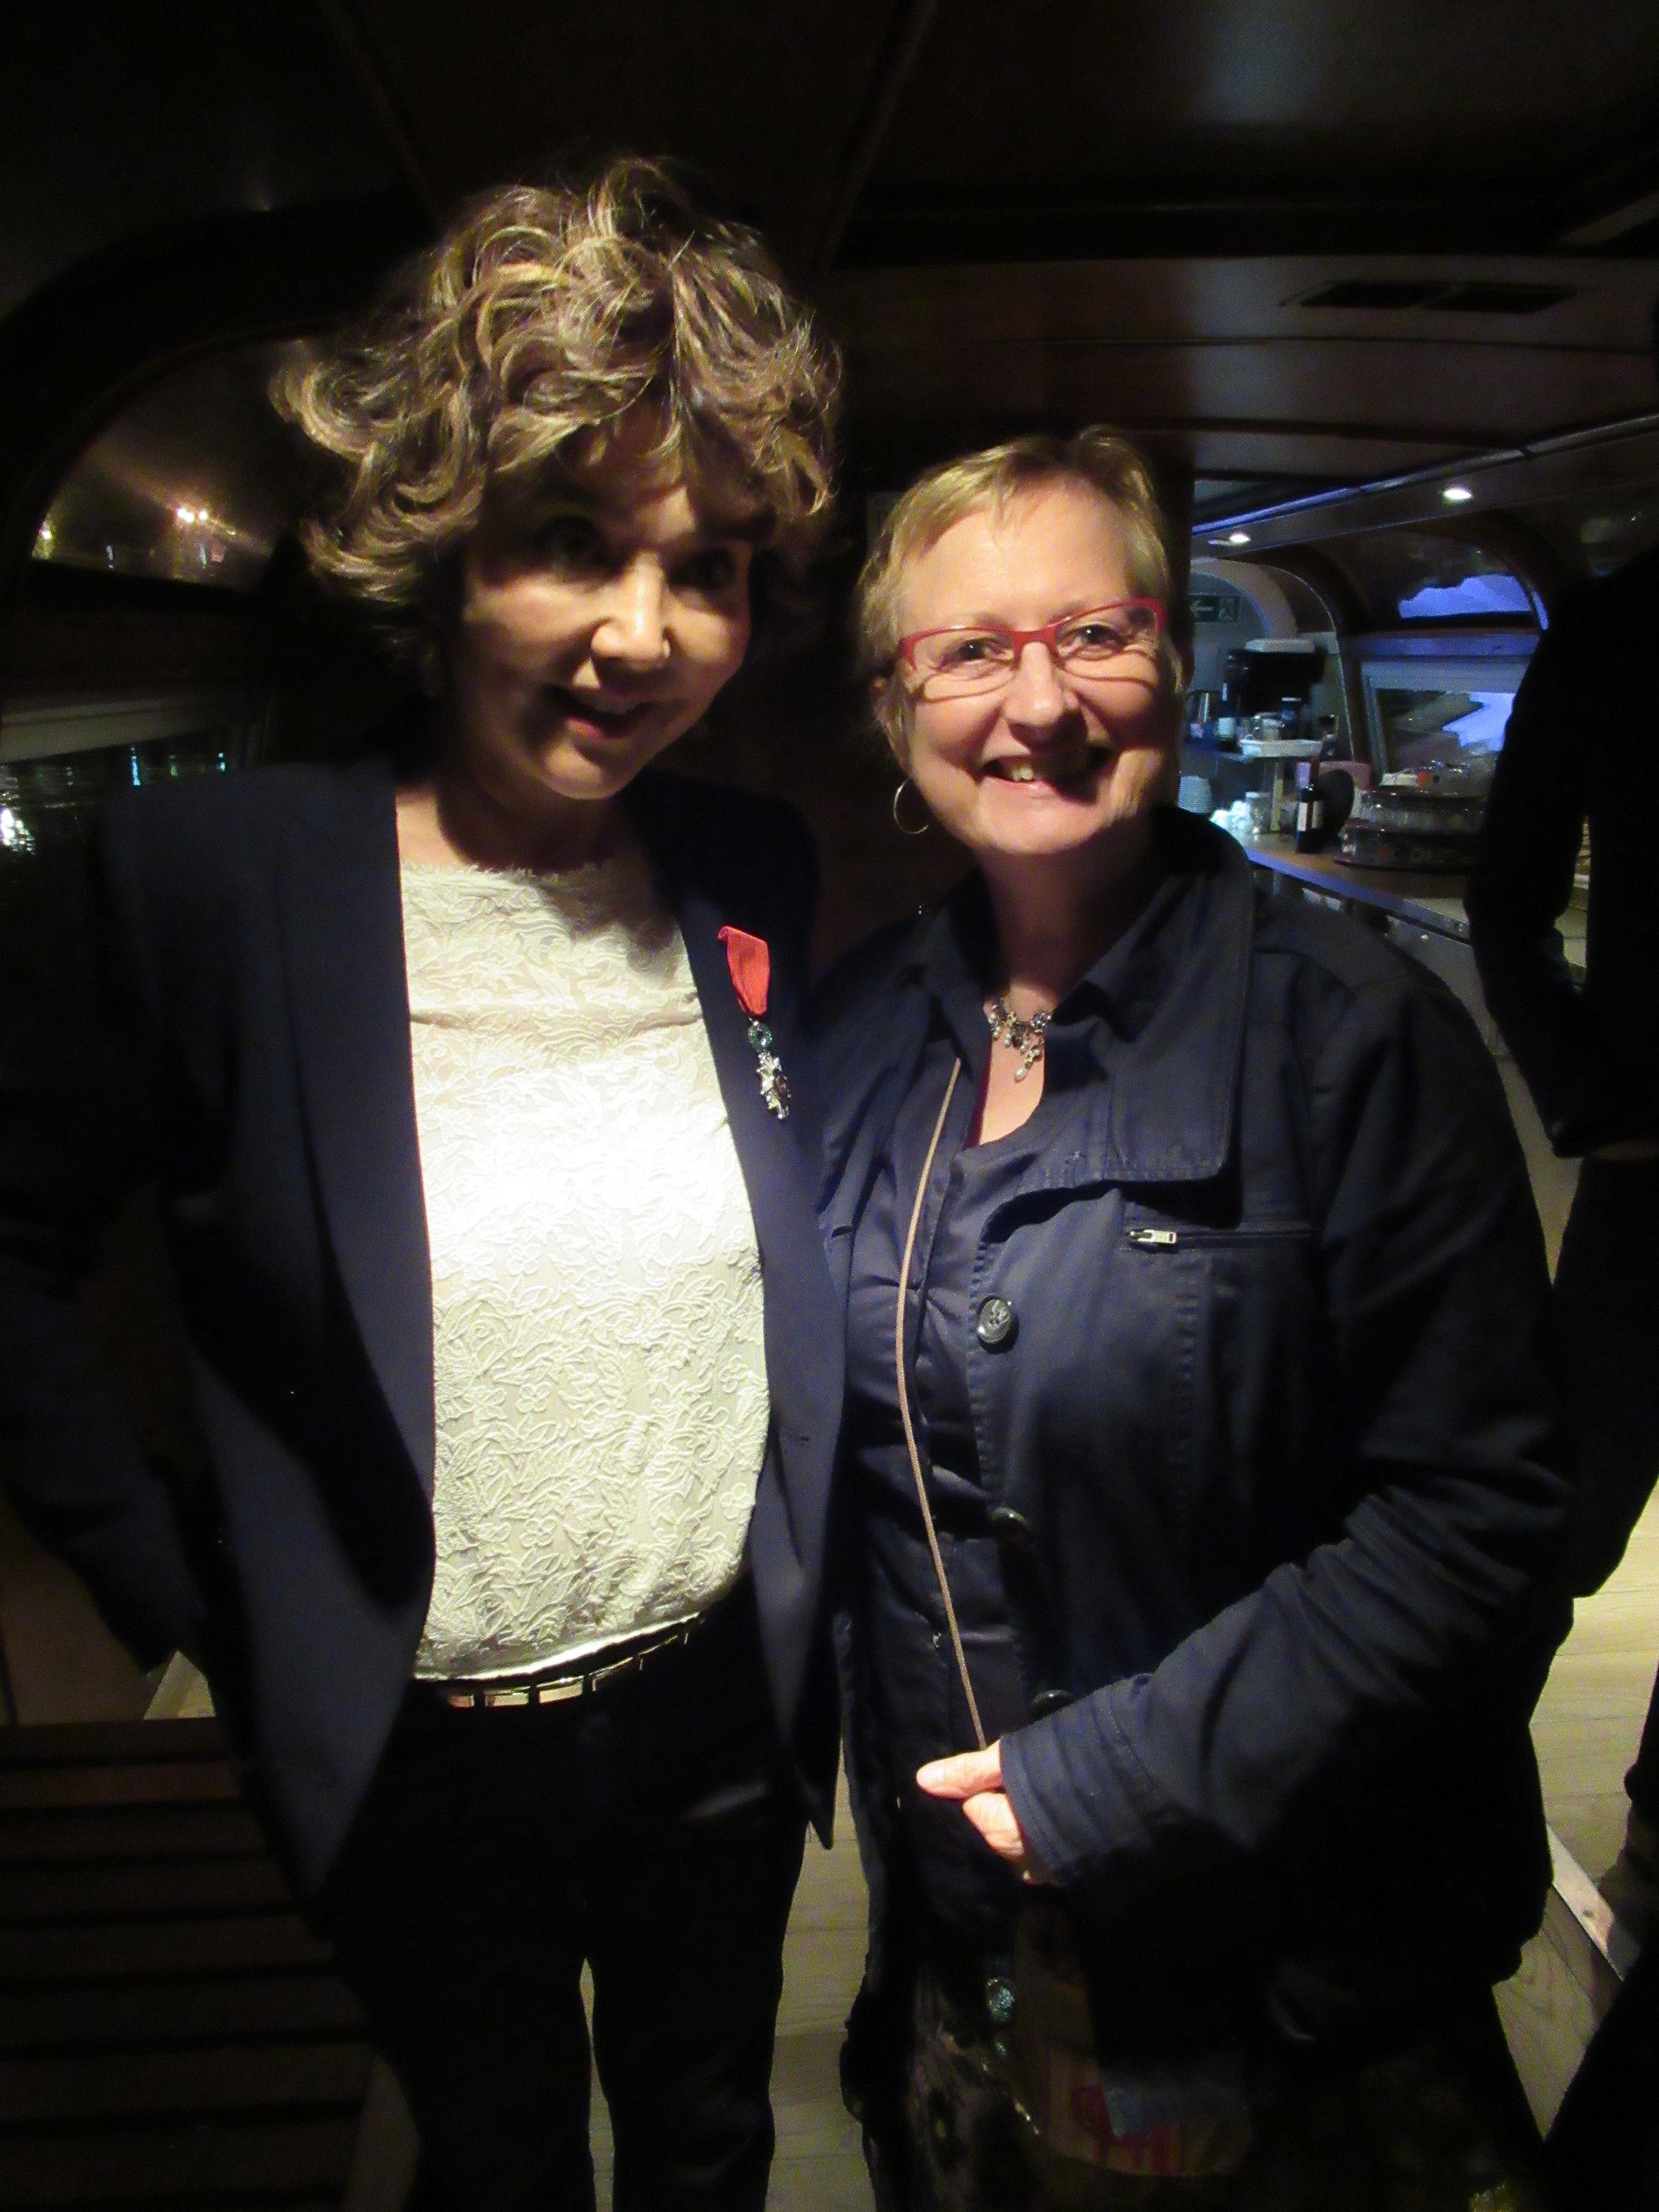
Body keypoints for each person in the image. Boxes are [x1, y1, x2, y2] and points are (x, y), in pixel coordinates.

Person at [0, 161, 843, 2212]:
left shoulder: (747, 869)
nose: (645, 634)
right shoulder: (207, 885)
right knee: (496, 2161)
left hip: (717, 1704)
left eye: (711, 569)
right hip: (420, 1748)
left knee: (712, 2144)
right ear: (446, 544)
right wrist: (182, 1586)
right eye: (573, 543)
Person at [812, 429, 1569, 2209]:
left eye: (1098, 632)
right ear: (895, 707)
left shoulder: (1352, 1036)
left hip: (1286, 1973)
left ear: (1174, 660)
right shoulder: (857, 1036)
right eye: (972, 650)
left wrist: (1104, 1784)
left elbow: (1481, 1521)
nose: (1042, 701)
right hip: (962, 1944)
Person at [1465, 492, 1659, 2208]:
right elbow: (1507, 901)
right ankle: (1446, 1856)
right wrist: (1601, 1103)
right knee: (1556, 1522)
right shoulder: (1618, 624)